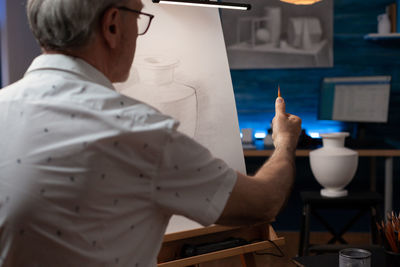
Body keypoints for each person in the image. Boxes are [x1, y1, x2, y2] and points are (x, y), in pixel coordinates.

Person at [0, 0, 301, 266]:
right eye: (139, 17)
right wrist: (284, 143)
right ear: (113, 24)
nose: (139, 32)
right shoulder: (138, 133)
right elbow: (263, 202)